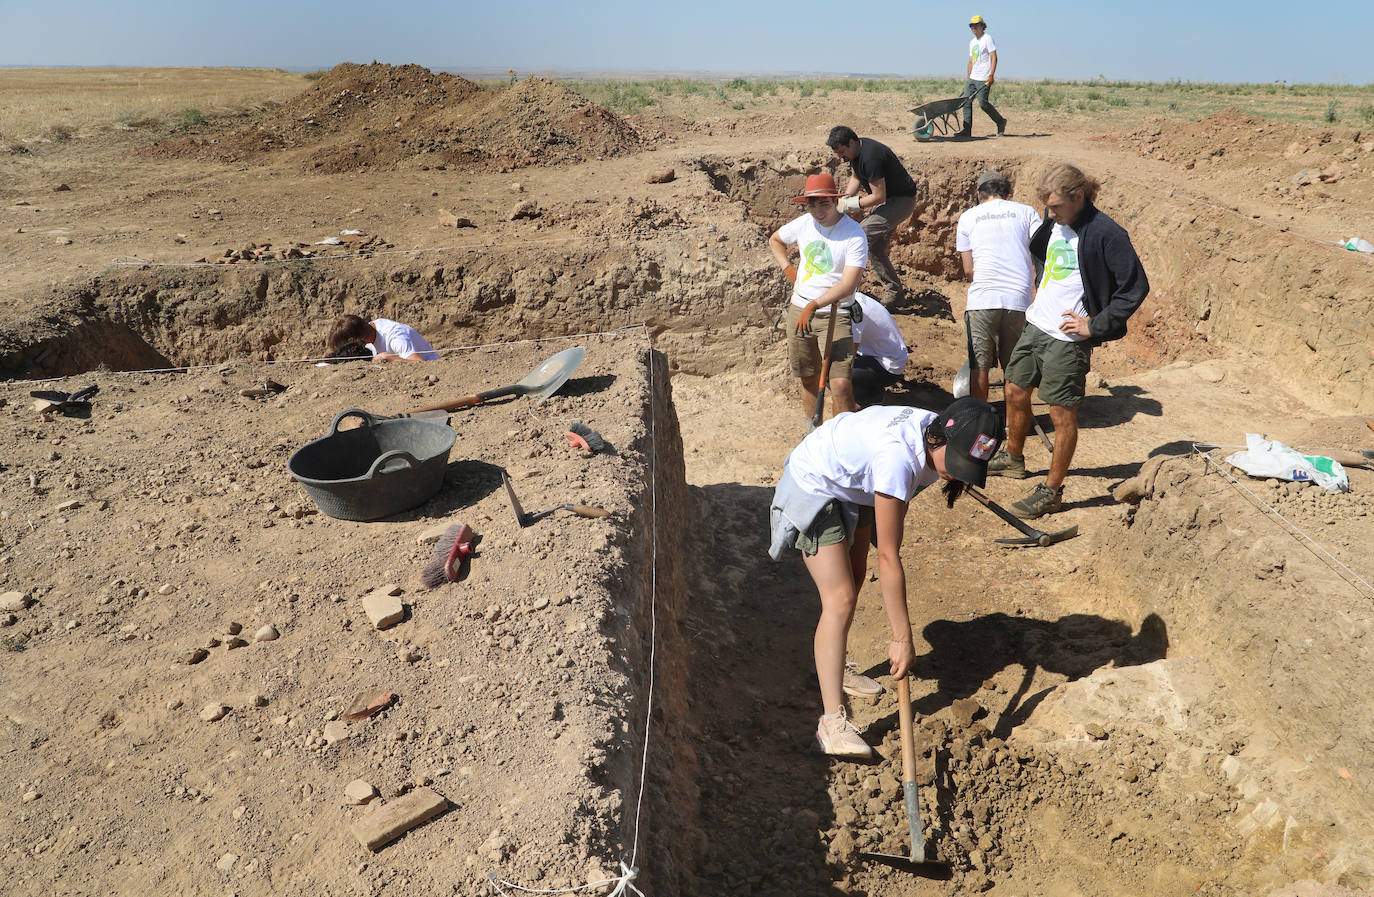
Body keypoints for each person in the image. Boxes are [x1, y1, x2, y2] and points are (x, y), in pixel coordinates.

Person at [768, 397, 1004, 759]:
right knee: (841, 597)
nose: (956, 473)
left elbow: (886, 536)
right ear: (938, 439)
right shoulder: (897, 457)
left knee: (856, 574)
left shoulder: (933, 428)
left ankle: (837, 664)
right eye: (956, 463)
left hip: (852, 482)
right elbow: (889, 556)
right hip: (815, 481)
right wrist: (901, 638)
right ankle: (831, 723)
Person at [987, 163, 1149, 518]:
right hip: (1036, 325)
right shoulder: (1057, 222)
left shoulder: (1107, 233)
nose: (1051, 213)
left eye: (1056, 206)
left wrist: (1096, 325)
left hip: (1066, 339)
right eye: (1047, 207)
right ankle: (1013, 457)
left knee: (1061, 414)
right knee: (1014, 390)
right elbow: (1045, 254)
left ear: (1078, 197)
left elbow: (1134, 287)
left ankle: (1052, 490)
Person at [768, 173, 868, 426]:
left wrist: (815, 304)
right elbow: (776, 240)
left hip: (837, 313)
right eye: (812, 204)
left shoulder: (853, 234)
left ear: (835, 201)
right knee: (809, 377)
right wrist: (787, 269)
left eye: (823, 203)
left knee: (841, 383)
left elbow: (848, 284)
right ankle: (814, 434)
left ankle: (841, 438)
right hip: (798, 310)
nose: (817, 210)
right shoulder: (803, 224)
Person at [955, 169, 1042, 400]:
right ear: (1006, 191)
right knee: (1014, 366)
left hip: (982, 300)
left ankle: (979, 423)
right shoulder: (1027, 212)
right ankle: (1013, 423)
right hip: (1019, 300)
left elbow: (968, 270)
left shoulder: (968, 217)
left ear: (979, 194)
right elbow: (1042, 252)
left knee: (979, 366)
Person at [826, 126, 918, 307]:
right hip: (891, 200)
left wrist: (851, 204)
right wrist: (843, 201)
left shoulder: (870, 157)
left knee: (861, 234)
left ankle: (847, 290)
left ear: (851, 142)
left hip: (901, 201)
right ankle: (895, 294)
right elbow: (856, 178)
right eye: (837, 153)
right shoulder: (857, 151)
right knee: (874, 246)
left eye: (842, 152)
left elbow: (878, 196)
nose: (840, 157)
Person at [850, 292, 909, 404]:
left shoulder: (854, 310)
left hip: (888, 367)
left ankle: (869, 399)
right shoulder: (852, 296)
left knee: (833, 373)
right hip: (882, 356)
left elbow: (848, 355)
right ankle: (870, 389)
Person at [959, 15, 1007, 139]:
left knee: (983, 104)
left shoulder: (987, 38)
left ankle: (1000, 121)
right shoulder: (972, 42)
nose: (973, 28)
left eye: (976, 25)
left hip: (984, 77)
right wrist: (968, 78)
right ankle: (966, 130)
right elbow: (970, 61)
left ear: (982, 26)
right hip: (973, 77)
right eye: (971, 26)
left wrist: (991, 75)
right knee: (966, 102)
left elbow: (994, 57)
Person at [326, 314, 440, 363]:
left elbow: (419, 362)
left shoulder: (395, 337)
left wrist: (388, 357)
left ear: (353, 340)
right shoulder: (369, 330)